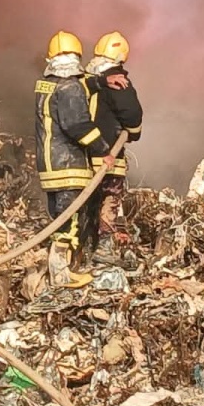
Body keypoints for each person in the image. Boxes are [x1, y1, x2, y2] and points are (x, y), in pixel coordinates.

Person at [35, 31, 119, 287]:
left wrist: (101, 83)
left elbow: (75, 88)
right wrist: (103, 149)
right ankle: (61, 276)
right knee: (68, 222)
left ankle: (61, 271)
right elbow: (78, 125)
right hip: (68, 166)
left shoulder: (46, 83)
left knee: (59, 218)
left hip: (49, 165)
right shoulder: (70, 87)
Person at [83, 31, 143, 264]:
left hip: (84, 155)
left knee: (88, 204)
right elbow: (132, 113)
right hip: (109, 155)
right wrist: (133, 133)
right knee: (109, 199)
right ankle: (104, 250)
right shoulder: (117, 80)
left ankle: (84, 249)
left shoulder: (87, 79)